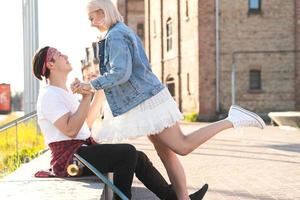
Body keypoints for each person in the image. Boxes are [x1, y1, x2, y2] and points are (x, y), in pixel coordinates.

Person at [72, 0, 266, 199]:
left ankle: (231, 119)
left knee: (182, 146)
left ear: (102, 12)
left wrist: (91, 85)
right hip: (144, 100)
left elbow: (121, 72)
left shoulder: (115, 35)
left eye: (92, 18)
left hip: (147, 101)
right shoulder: (119, 32)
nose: (91, 23)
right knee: (165, 154)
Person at [32, 46, 209, 200]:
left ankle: (173, 197)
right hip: (69, 158)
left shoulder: (63, 92)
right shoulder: (49, 96)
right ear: (50, 64)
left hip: (80, 151)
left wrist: (99, 91)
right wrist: (86, 96)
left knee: (138, 157)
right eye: (59, 55)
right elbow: (70, 130)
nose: (66, 56)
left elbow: (85, 123)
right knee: (127, 153)